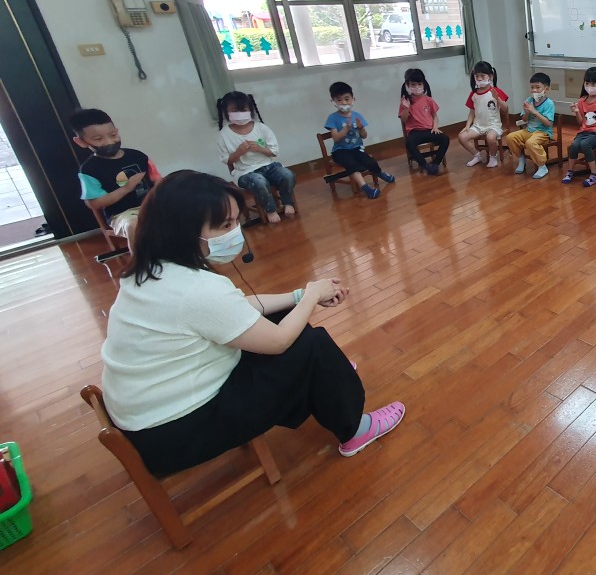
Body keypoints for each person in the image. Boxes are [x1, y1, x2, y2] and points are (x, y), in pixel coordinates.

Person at [99, 171, 405, 477]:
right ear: (183, 231)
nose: (235, 232)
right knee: (313, 345)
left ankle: (326, 378)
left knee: (281, 318)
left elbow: (233, 311)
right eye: (225, 226)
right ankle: (355, 429)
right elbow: (278, 342)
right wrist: (312, 296)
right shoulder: (195, 289)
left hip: (148, 421)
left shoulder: (150, 270)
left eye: (235, 221)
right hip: (178, 436)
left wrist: (298, 296)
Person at [70, 108, 162, 241]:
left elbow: (158, 180)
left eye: (113, 135)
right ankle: (142, 255)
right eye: (98, 139)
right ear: (81, 142)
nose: (109, 142)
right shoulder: (89, 169)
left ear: (117, 131)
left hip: (152, 205)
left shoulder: (138, 156)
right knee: (133, 225)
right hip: (122, 214)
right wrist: (126, 188)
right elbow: (94, 203)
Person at [216, 91, 296, 224]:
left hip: (268, 166)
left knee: (288, 175)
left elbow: (274, 151)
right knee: (259, 182)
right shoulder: (224, 134)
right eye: (234, 111)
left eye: (243, 110)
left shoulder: (261, 128)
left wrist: (259, 148)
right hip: (245, 172)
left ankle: (287, 203)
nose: (240, 114)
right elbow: (227, 160)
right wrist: (239, 152)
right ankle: (270, 210)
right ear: (226, 112)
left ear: (250, 110)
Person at [325, 81, 395, 200]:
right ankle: (366, 188)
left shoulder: (357, 115)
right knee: (352, 164)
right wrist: (346, 128)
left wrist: (361, 128)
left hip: (357, 148)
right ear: (333, 101)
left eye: (347, 99)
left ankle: (380, 173)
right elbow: (336, 138)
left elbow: (364, 136)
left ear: (353, 99)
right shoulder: (332, 118)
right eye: (339, 100)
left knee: (370, 161)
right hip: (340, 151)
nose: (344, 103)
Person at [562, 66, 596, 188]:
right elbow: (581, 122)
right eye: (587, 83)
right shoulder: (582, 101)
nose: (589, 87)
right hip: (585, 132)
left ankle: (594, 174)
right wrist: (577, 112)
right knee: (574, 145)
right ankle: (570, 171)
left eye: (593, 84)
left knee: (584, 144)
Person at [505, 72, 555, 179]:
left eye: (538, 87)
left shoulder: (549, 103)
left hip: (543, 133)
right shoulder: (529, 100)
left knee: (530, 142)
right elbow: (524, 119)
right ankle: (521, 159)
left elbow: (548, 123)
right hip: (529, 130)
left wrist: (535, 112)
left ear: (546, 89)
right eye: (532, 87)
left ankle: (542, 166)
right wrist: (527, 112)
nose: (534, 90)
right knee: (510, 137)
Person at [399, 68, 449, 175]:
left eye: (419, 84)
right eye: (413, 84)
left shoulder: (428, 99)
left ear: (424, 84)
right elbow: (403, 120)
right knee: (409, 143)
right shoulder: (405, 101)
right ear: (407, 85)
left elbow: (435, 116)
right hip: (415, 132)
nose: (417, 87)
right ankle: (424, 165)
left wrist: (435, 127)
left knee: (445, 139)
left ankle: (435, 164)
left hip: (429, 130)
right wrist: (406, 108)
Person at [459, 61, 509, 168]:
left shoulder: (495, 91)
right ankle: (477, 156)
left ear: (490, 76)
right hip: (478, 126)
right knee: (462, 137)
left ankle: (493, 157)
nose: (480, 79)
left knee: (490, 138)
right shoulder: (474, 94)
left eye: (483, 76)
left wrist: (497, 99)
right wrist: (467, 125)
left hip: (493, 125)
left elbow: (505, 109)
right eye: (477, 76)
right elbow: (472, 112)